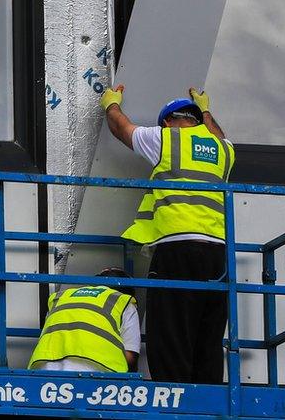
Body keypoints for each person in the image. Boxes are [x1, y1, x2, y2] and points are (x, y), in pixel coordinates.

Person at [100, 85, 234, 384]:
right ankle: (207, 399)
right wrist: (207, 109)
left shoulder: (165, 139)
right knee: (208, 332)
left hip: (178, 247)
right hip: (218, 255)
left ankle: (174, 395)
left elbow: (122, 129)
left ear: (168, 121)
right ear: (199, 119)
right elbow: (217, 135)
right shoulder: (225, 149)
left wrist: (111, 104)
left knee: (170, 329)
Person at [28, 268, 141, 373]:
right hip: (96, 370)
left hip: (44, 367)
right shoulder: (124, 301)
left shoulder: (60, 297)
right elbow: (130, 356)